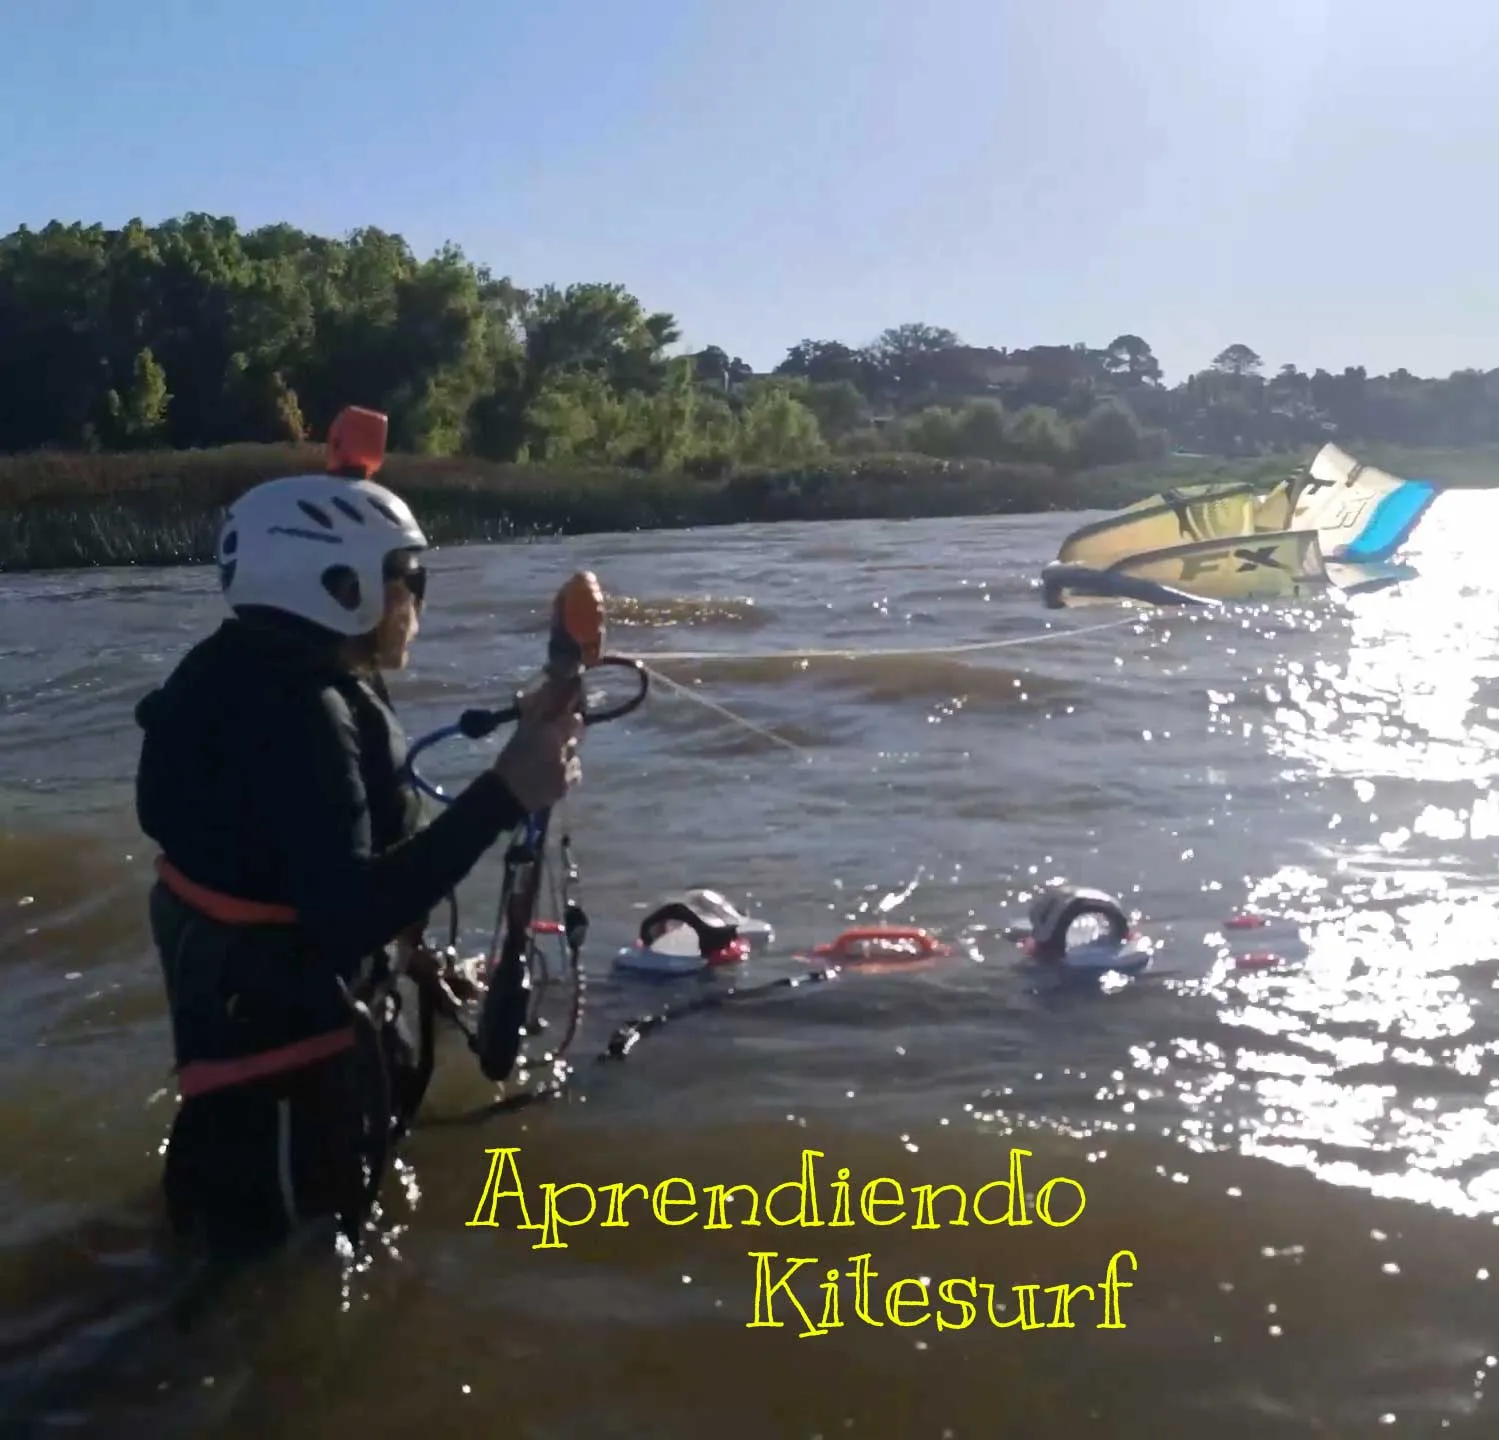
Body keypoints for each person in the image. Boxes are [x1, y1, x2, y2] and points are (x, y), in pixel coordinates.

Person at [134, 463, 582, 1260]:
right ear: (337, 586)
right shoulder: (299, 716)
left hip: (246, 1109)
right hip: (284, 1130)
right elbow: (343, 918)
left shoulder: (237, 675)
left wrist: (419, 962)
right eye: (408, 577)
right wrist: (506, 792)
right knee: (276, 1323)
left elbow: (300, 865)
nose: (417, 599)